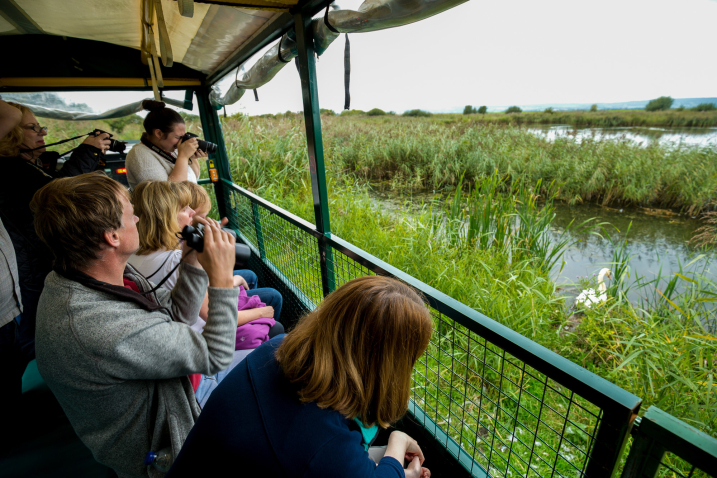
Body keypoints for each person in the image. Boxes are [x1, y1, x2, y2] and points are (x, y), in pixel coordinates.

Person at [31, 172, 240, 477]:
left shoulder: (85, 276)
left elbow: (177, 316)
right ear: (111, 236)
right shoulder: (98, 325)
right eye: (131, 212)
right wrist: (222, 278)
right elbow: (216, 354)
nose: (139, 218)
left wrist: (192, 262)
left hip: (168, 399)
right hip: (166, 443)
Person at [168, 276, 433, 478]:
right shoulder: (327, 445)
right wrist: (397, 443)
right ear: (388, 365)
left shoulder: (276, 349)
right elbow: (334, 459)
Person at [126, 180, 283, 406]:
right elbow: (215, 324)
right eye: (183, 209)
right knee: (276, 324)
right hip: (202, 353)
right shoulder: (173, 260)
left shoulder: (133, 257)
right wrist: (260, 313)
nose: (192, 212)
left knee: (257, 291)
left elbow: (187, 311)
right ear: (165, 216)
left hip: (185, 341)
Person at [0, 102, 110, 392]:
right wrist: (86, 151)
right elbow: (58, 193)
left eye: (41, 126)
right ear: (10, 133)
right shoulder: (9, 169)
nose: (41, 132)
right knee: (30, 341)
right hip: (27, 273)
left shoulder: (25, 167)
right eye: (31, 127)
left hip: (31, 266)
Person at [183, 181, 283, 323]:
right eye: (203, 218)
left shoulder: (182, 244)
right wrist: (260, 313)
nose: (204, 223)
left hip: (212, 302)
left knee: (250, 276)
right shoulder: (181, 256)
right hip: (216, 319)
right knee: (274, 298)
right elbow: (214, 312)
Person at [125, 100, 207, 190]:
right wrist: (183, 157)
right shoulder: (139, 154)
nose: (181, 141)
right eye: (177, 137)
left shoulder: (171, 148)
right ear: (159, 133)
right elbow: (169, 194)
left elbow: (192, 180)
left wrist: (190, 157)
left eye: (183, 137)